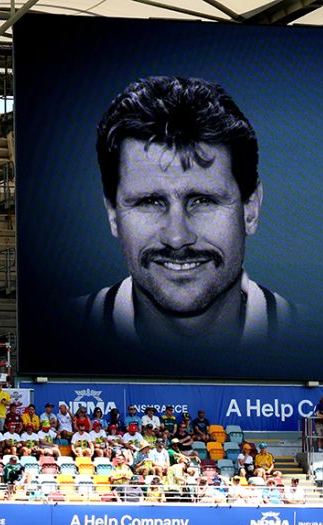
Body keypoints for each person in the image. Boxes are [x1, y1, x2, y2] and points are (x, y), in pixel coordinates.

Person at [78, 75, 295, 351]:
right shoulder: (57, 331)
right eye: (150, 202)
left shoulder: (317, 334)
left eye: (202, 200)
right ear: (112, 214)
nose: (177, 237)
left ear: (250, 209)